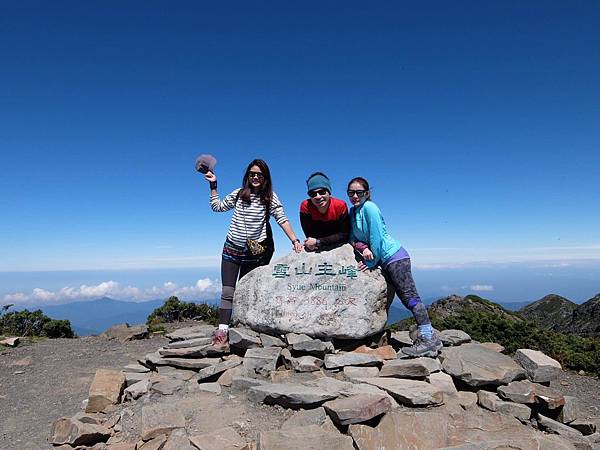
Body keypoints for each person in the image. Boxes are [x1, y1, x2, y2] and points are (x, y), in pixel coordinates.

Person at [204, 159, 303, 348]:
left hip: (252, 253)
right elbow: (217, 207)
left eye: (259, 174)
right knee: (228, 291)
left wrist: (294, 240)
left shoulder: (270, 198)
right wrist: (213, 186)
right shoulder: (239, 194)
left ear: (265, 177)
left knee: (245, 292)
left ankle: (245, 328)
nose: (255, 177)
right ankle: (222, 331)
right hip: (232, 249)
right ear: (247, 176)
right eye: (252, 174)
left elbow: (281, 218)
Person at [347, 176, 442, 357]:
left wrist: (371, 262)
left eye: (359, 192)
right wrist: (362, 247)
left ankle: (428, 339)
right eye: (351, 193)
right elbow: (352, 237)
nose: (355, 196)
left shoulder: (370, 208)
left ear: (367, 193)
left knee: (410, 298)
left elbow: (376, 237)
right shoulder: (353, 211)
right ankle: (430, 337)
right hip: (385, 260)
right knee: (406, 299)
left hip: (395, 257)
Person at [299, 172, 350, 251]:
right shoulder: (306, 207)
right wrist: (312, 242)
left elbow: (344, 235)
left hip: (335, 244)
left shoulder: (340, 206)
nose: (318, 196)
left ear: (329, 192)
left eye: (322, 192)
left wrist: (318, 242)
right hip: (320, 243)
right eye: (313, 194)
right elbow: (310, 236)